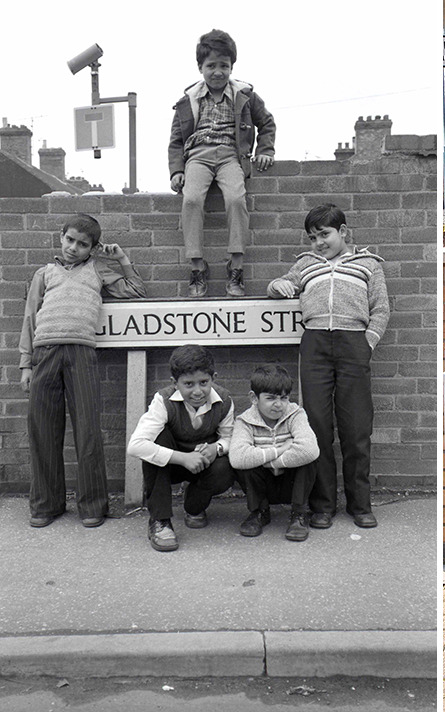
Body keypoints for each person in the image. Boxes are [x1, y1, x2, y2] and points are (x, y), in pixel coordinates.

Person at [19, 213, 146, 528]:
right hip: (44, 354)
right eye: (70, 240)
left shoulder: (98, 270)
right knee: (43, 431)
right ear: (61, 236)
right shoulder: (44, 274)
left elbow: (136, 290)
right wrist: (25, 364)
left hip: (81, 354)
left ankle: (92, 507)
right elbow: (30, 319)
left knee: (88, 431)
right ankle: (46, 505)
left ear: (93, 248)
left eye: (82, 244)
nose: (74, 248)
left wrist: (122, 259)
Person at [267, 204, 389, 529]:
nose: (319, 242)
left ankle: (360, 505)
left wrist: (367, 343)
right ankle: (322, 506)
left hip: (354, 343)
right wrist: (277, 286)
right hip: (315, 344)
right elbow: (284, 284)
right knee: (317, 426)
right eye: (313, 237)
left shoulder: (368, 265)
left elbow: (381, 308)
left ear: (343, 232)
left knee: (357, 428)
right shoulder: (306, 265)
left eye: (325, 234)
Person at [168, 28, 276, 298]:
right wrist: (177, 171)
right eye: (211, 66)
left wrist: (265, 149)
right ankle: (196, 266)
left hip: (230, 155)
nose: (218, 72)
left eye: (224, 66)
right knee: (191, 199)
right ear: (200, 67)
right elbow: (176, 141)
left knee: (236, 200)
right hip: (198, 156)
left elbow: (267, 123)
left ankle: (235, 267)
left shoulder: (246, 95)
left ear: (232, 67)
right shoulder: (188, 100)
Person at [127, 344, 238, 552]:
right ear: (175, 383)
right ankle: (160, 521)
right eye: (188, 384)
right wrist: (183, 458)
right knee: (155, 439)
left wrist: (217, 448)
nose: (198, 391)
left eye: (204, 382)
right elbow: (135, 446)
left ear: (213, 377)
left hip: (203, 463)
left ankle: (194, 506)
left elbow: (230, 437)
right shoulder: (163, 400)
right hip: (171, 466)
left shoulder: (224, 401)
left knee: (228, 465)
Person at [229, 365, 320, 541]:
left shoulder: (295, 414)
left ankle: (298, 514)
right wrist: (280, 449)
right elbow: (237, 458)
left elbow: (309, 450)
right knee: (244, 464)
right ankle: (259, 512)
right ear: (254, 398)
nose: (278, 404)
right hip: (263, 486)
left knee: (308, 459)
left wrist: (266, 459)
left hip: (291, 484)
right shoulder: (245, 421)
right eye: (270, 398)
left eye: (284, 398)